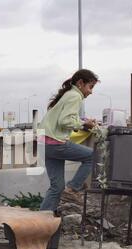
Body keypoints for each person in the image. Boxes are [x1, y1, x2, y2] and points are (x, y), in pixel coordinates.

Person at [38, 69, 99, 212]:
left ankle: (42, 219)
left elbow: (65, 118)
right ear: (80, 83)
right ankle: (72, 189)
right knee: (93, 155)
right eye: (90, 87)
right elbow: (65, 121)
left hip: (44, 144)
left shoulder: (68, 95)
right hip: (55, 143)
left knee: (57, 187)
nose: (91, 92)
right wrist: (85, 124)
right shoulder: (75, 96)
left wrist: (83, 121)